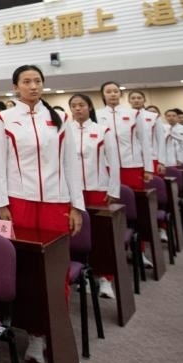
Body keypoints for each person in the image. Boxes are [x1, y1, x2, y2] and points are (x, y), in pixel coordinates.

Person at [0, 65, 83, 363]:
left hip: (57, 202)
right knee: (27, 273)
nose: (33, 86)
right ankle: (35, 335)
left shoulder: (60, 118)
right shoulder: (4, 119)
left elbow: (70, 165)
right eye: (27, 81)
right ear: (15, 87)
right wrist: (2, 204)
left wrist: (76, 205)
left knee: (57, 272)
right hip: (20, 202)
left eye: (38, 81)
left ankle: (58, 335)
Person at [67, 93, 120, 298]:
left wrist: (113, 190)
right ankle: (85, 277)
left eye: (81, 105)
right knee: (77, 234)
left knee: (100, 236)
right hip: (74, 191)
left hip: (98, 188)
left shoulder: (102, 130)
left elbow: (113, 161)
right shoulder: (66, 130)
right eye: (73, 105)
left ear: (89, 107)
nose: (77, 109)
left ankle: (105, 278)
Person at [96, 81, 153, 191]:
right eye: (108, 92)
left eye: (115, 91)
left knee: (135, 196)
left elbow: (144, 141)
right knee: (113, 198)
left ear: (120, 94)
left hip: (132, 165)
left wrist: (148, 168)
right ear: (103, 95)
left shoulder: (134, 113)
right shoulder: (97, 115)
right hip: (107, 166)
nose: (113, 94)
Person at [128, 90, 165, 176]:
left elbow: (161, 140)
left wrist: (161, 162)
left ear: (144, 100)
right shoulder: (125, 116)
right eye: (133, 98)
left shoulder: (154, 116)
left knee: (153, 183)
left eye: (139, 98)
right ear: (129, 100)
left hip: (152, 158)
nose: (136, 100)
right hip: (131, 160)